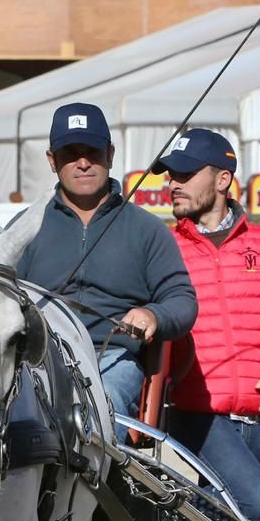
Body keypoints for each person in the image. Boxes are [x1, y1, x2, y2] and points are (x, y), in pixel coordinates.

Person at [157, 128, 260, 521]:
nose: (172, 184)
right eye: (170, 175)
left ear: (222, 180)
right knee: (256, 502)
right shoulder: (161, 245)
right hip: (194, 414)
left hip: (259, 417)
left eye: (184, 174)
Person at [16, 103, 197, 418]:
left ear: (110, 154)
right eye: (71, 153)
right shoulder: (24, 227)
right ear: (51, 160)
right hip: (36, 359)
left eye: (93, 152)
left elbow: (182, 299)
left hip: (113, 359)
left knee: (101, 403)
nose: (83, 163)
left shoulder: (147, 229)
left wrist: (152, 315)